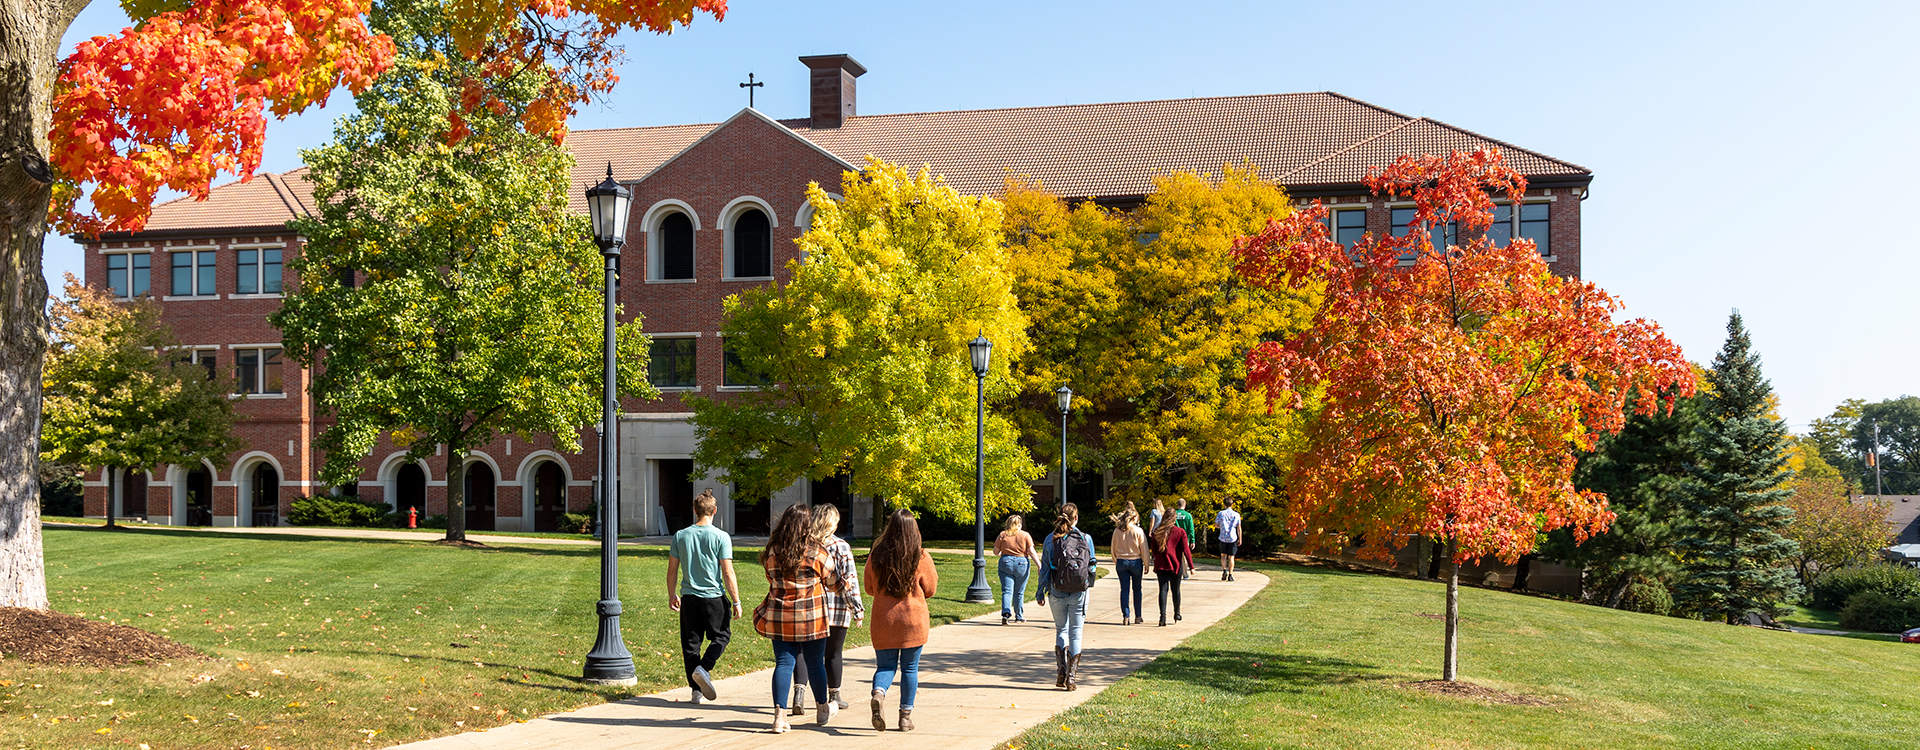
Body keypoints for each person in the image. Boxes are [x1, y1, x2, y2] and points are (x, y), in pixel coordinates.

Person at [753, 504, 845, 732]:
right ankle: (822, 708)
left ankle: (779, 717)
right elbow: (833, 582)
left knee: (784, 663)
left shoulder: (773, 550)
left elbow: (769, 577)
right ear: (807, 525)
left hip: (780, 615)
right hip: (812, 616)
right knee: (815, 662)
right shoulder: (816, 551)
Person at [667, 489, 742, 705]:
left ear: (694, 510)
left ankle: (695, 692)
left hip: (689, 597)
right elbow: (728, 572)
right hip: (713, 597)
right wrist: (736, 601)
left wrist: (672, 594)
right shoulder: (721, 536)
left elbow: (672, 571)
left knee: (691, 644)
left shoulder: (680, 535)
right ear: (715, 511)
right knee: (721, 636)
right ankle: (704, 667)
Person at [865, 509, 937, 732]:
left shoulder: (876, 555)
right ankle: (905, 718)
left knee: (885, 666)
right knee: (910, 669)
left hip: (884, 619)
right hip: (913, 620)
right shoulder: (921, 556)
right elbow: (931, 589)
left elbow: (869, 587)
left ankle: (879, 692)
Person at [791, 504, 862, 714]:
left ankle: (799, 694)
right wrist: (856, 608)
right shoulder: (841, 546)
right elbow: (850, 579)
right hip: (837, 608)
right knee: (833, 654)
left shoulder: (802, 546)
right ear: (832, 522)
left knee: (803, 652)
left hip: (809, 608)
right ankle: (834, 695)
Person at [1037, 502, 1097, 690]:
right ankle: (1072, 678)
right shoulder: (1086, 538)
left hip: (1057, 590)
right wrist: (1088, 583)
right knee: (1076, 633)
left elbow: (1045, 568)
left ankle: (1061, 672)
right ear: (1076, 518)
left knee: (1061, 630)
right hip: (1079, 592)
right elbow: (1092, 565)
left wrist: (1041, 591)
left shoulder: (1050, 539)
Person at [993, 515, 1041, 625]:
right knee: (1019, 592)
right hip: (1022, 563)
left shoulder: (1002, 535)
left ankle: (1005, 613)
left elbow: (995, 551)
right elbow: (1031, 551)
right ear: (1020, 524)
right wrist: (1039, 565)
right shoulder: (1025, 535)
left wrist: (1002, 554)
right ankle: (1019, 616)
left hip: (1006, 563)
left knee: (1007, 590)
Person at [1150, 505, 1192, 626]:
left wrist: (1156, 559)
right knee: (1176, 590)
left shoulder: (1157, 531)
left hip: (1161, 565)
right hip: (1176, 565)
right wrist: (1191, 565)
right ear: (1174, 518)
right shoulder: (1180, 532)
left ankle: (1162, 617)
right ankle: (1177, 613)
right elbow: (1186, 550)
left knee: (1163, 590)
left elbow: (1153, 549)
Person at [1110, 503, 1147, 625]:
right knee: (1137, 589)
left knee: (1124, 590)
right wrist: (1146, 564)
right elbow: (1144, 549)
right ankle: (1138, 615)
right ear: (1132, 518)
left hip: (1121, 561)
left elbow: (1113, 549)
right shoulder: (1138, 531)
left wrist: (1116, 561)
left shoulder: (1117, 531)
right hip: (1136, 561)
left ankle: (1126, 615)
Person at [1215, 497, 1242, 582]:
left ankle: (1224, 570)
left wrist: (1221, 527)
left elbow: (1216, 524)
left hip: (1223, 537)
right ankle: (1230, 574)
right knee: (1231, 557)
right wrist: (1240, 538)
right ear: (1232, 504)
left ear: (1224, 504)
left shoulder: (1220, 514)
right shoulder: (1236, 515)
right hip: (1232, 537)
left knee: (1223, 555)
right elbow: (1239, 527)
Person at [1173, 498, 1198, 579]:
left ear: (1177, 505)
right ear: (1185, 505)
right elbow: (1191, 529)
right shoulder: (1188, 515)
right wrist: (1192, 540)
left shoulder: (1173, 514)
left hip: (1174, 538)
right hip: (1184, 539)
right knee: (1184, 556)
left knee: (1174, 555)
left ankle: (1175, 571)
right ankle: (1184, 573)